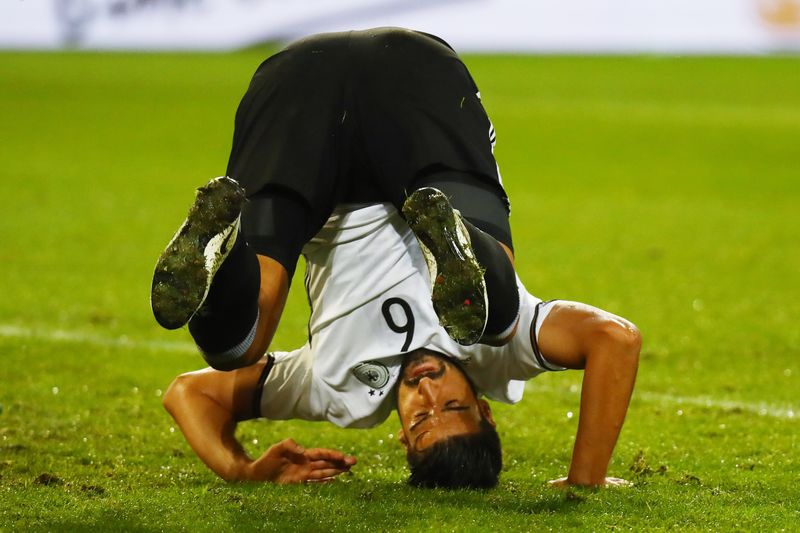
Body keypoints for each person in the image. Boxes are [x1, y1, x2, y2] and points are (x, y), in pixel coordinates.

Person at [152, 28, 641, 489]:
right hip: (414, 84)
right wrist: (586, 480)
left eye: (422, 418)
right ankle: (459, 245)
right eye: (454, 405)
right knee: (495, 324)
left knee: (237, 348)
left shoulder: (342, 393)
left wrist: (244, 470)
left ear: (401, 435)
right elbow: (615, 339)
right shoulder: (504, 361)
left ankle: (218, 254)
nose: (428, 392)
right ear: (485, 409)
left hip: (300, 90)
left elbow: (190, 393)